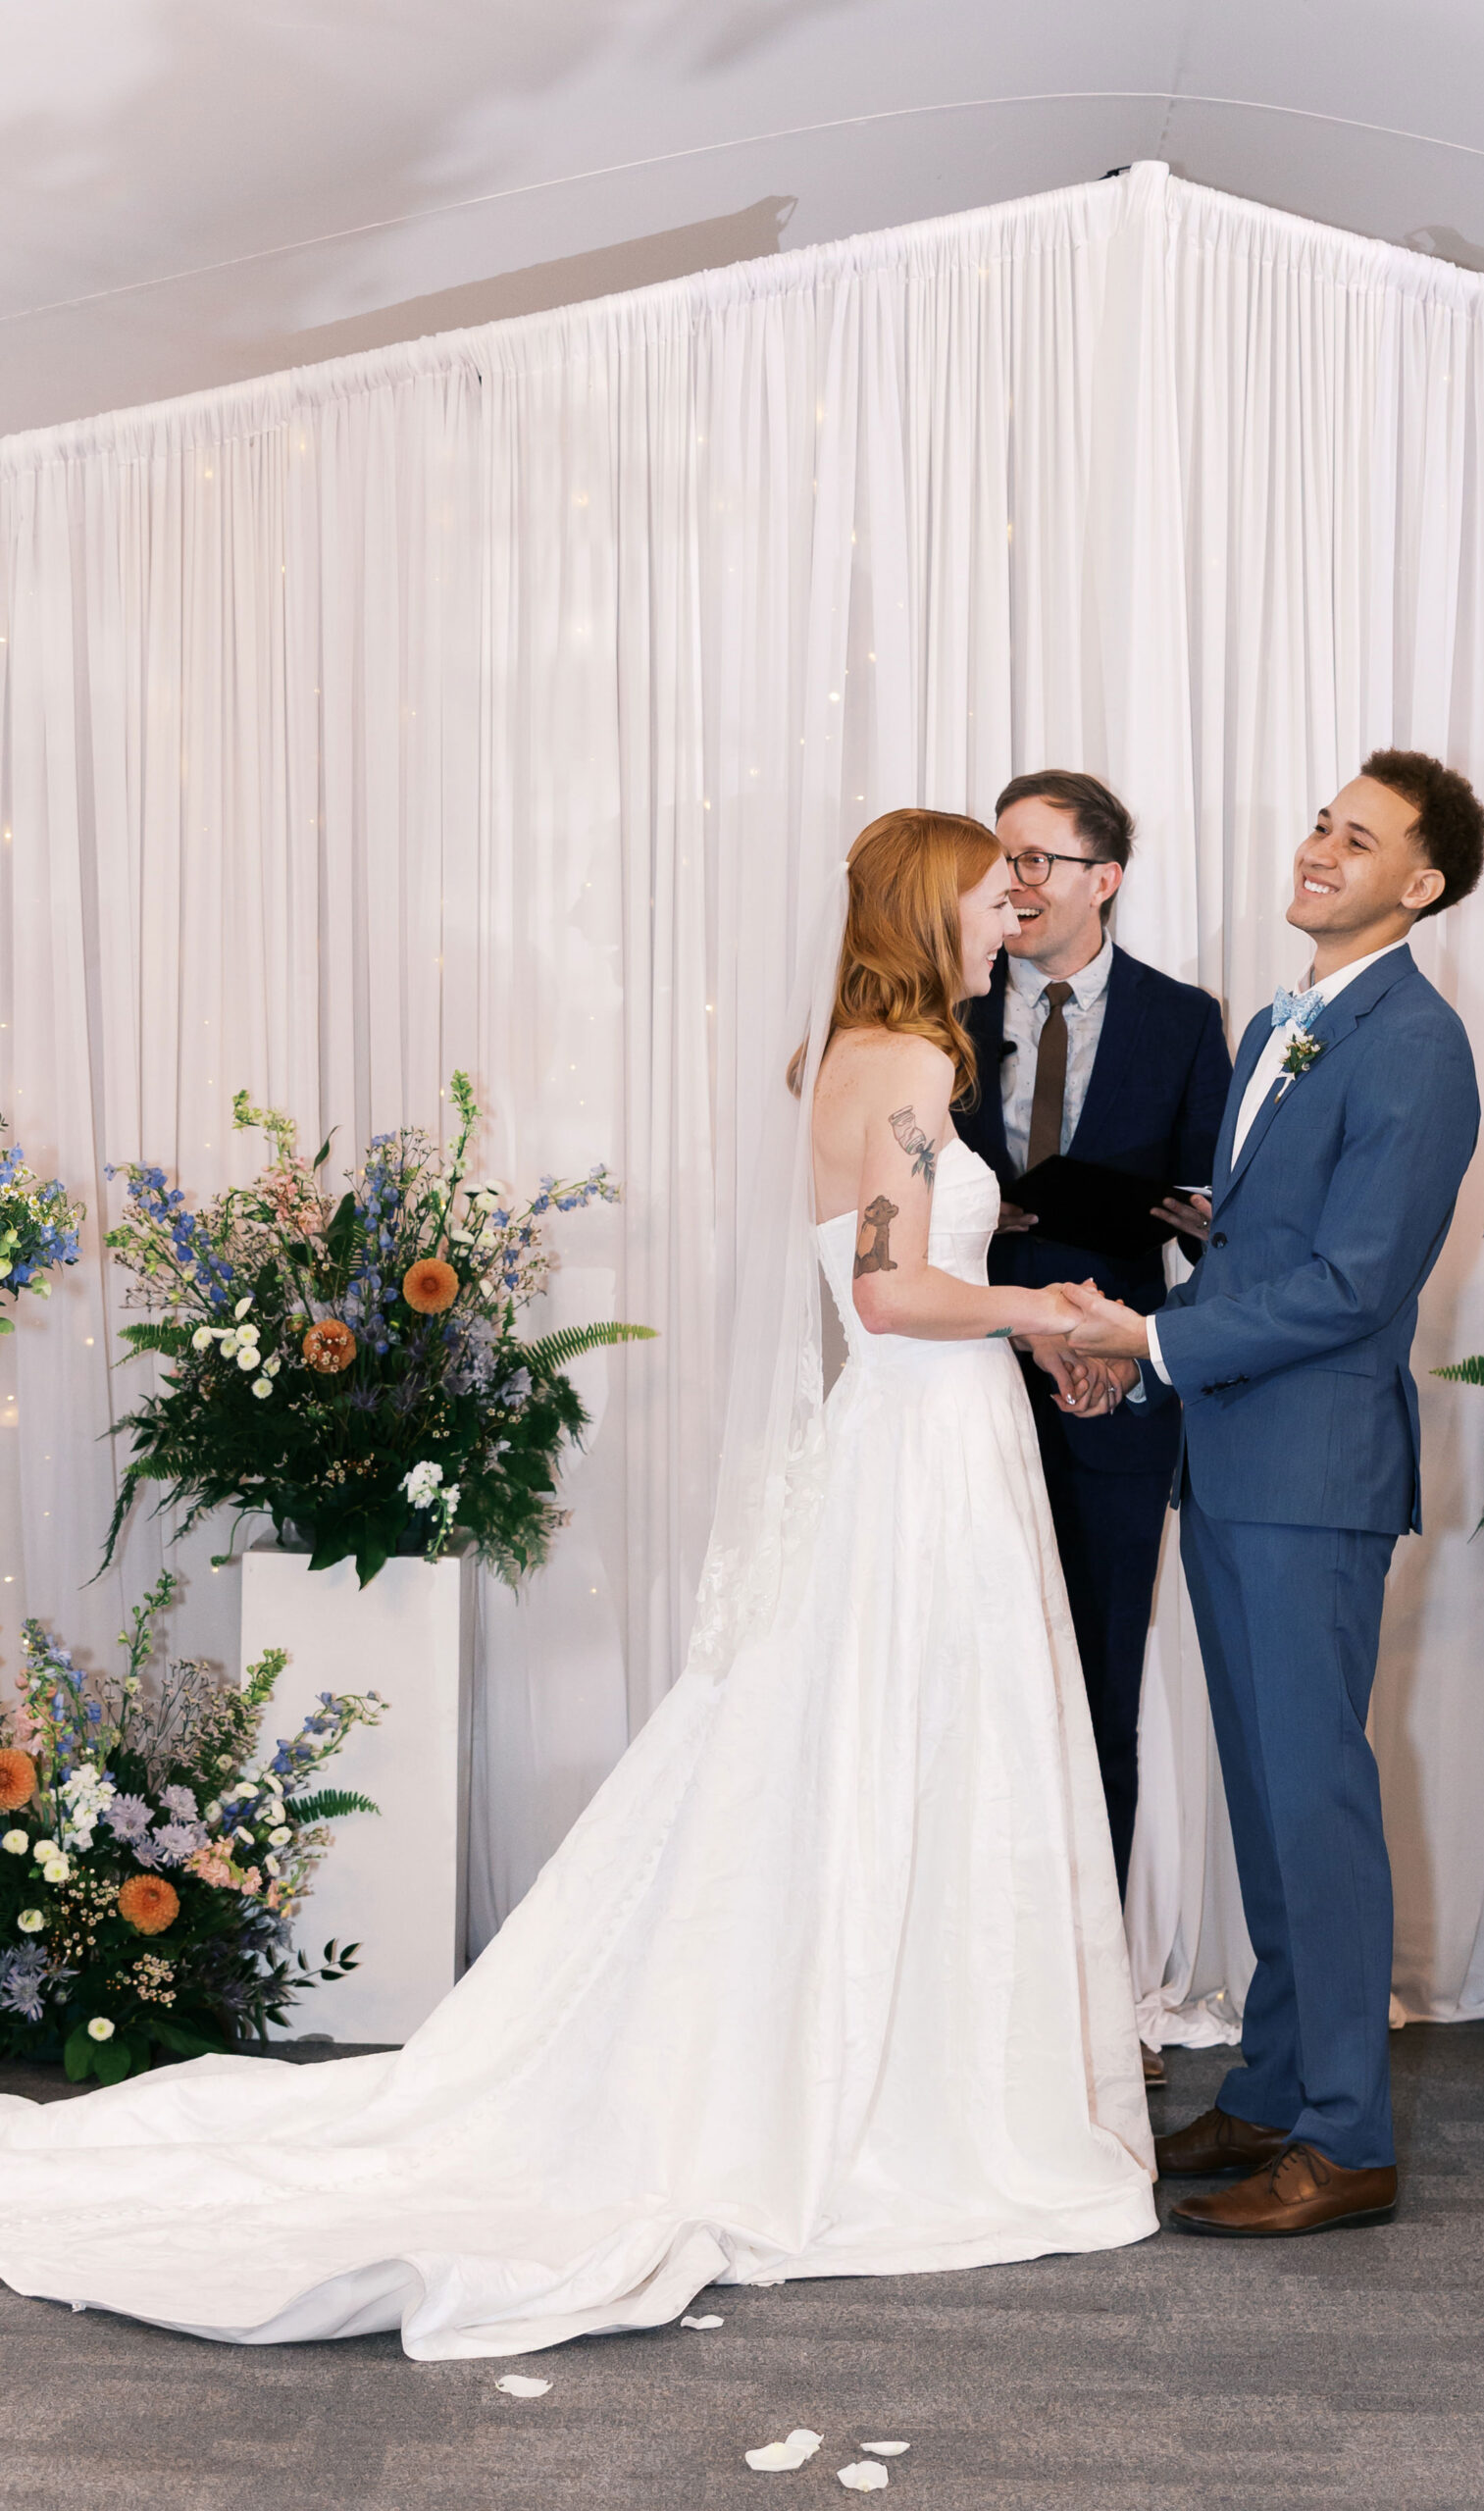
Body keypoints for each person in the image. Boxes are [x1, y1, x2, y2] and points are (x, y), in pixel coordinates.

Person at [0, 808, 1156, 2360]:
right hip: (919, 1443)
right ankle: (909, 2076)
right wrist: (1042, 1305)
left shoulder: (855, 1055)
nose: (1005, 901)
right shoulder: (910, 1065)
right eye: (982, 883)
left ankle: (894, 2035)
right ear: (921, 902)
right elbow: (885, 1294)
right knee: (914, 1730)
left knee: (885, 1737)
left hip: (927, 1438)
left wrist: (1021, 1314)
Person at [1060, 751, 1484, 2238]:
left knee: (1314, 1800)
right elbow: (1285, 1234)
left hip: (1311, 1474)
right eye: (1319, 819)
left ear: (1418, 885)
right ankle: (1276, 2082)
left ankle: (1347, 2139)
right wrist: (1203, 1230)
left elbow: (1361, 1282)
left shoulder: (1413, 1042)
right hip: (1232, 1459)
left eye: (1355, 838)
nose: (1317, 846)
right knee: (1260, 1795)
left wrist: (1153, 1336)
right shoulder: (1276, 1023)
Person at [955, 771, 1231, 1906]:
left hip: (1113, 1386)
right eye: (1002, 859)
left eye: (1035, 859)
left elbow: (1220, 1210)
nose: (1012, 882)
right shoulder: (949, 1007)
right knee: (965, 1676)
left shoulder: (1182, 1018)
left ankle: (1097, 1990)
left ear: (1102, 879)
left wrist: (1205, 1227)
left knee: (1097, 1683)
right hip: (960, 1373)